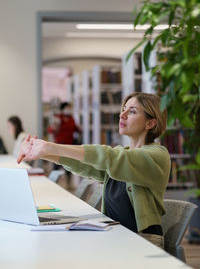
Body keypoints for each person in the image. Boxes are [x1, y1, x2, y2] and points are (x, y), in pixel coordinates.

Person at [17, 92, 171, 248]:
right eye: (123, 109)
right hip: (115, 237)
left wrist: (51, 147)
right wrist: (44, 153)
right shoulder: (121, 154)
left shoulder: (157, 156)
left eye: (131, 111)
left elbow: (109, 157)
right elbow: (85, 165)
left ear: (150, 123)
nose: (122, 115)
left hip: (142, 242)